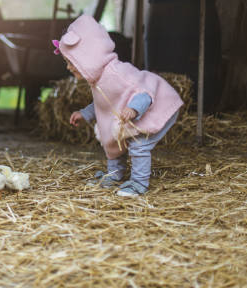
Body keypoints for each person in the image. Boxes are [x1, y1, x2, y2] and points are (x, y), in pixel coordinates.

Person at [52, 14, 183, 196]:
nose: (68, 67)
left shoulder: (117, 72)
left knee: (139, 144)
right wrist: (85, 113)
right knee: (113, 141)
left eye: (71, 62)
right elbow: (103, 102)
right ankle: (115, 175)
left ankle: (138, 184)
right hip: (133, 111)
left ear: (89, 56)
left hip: (155, 105)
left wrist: (134, 109)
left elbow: (144, 91)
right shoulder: (97, 79)